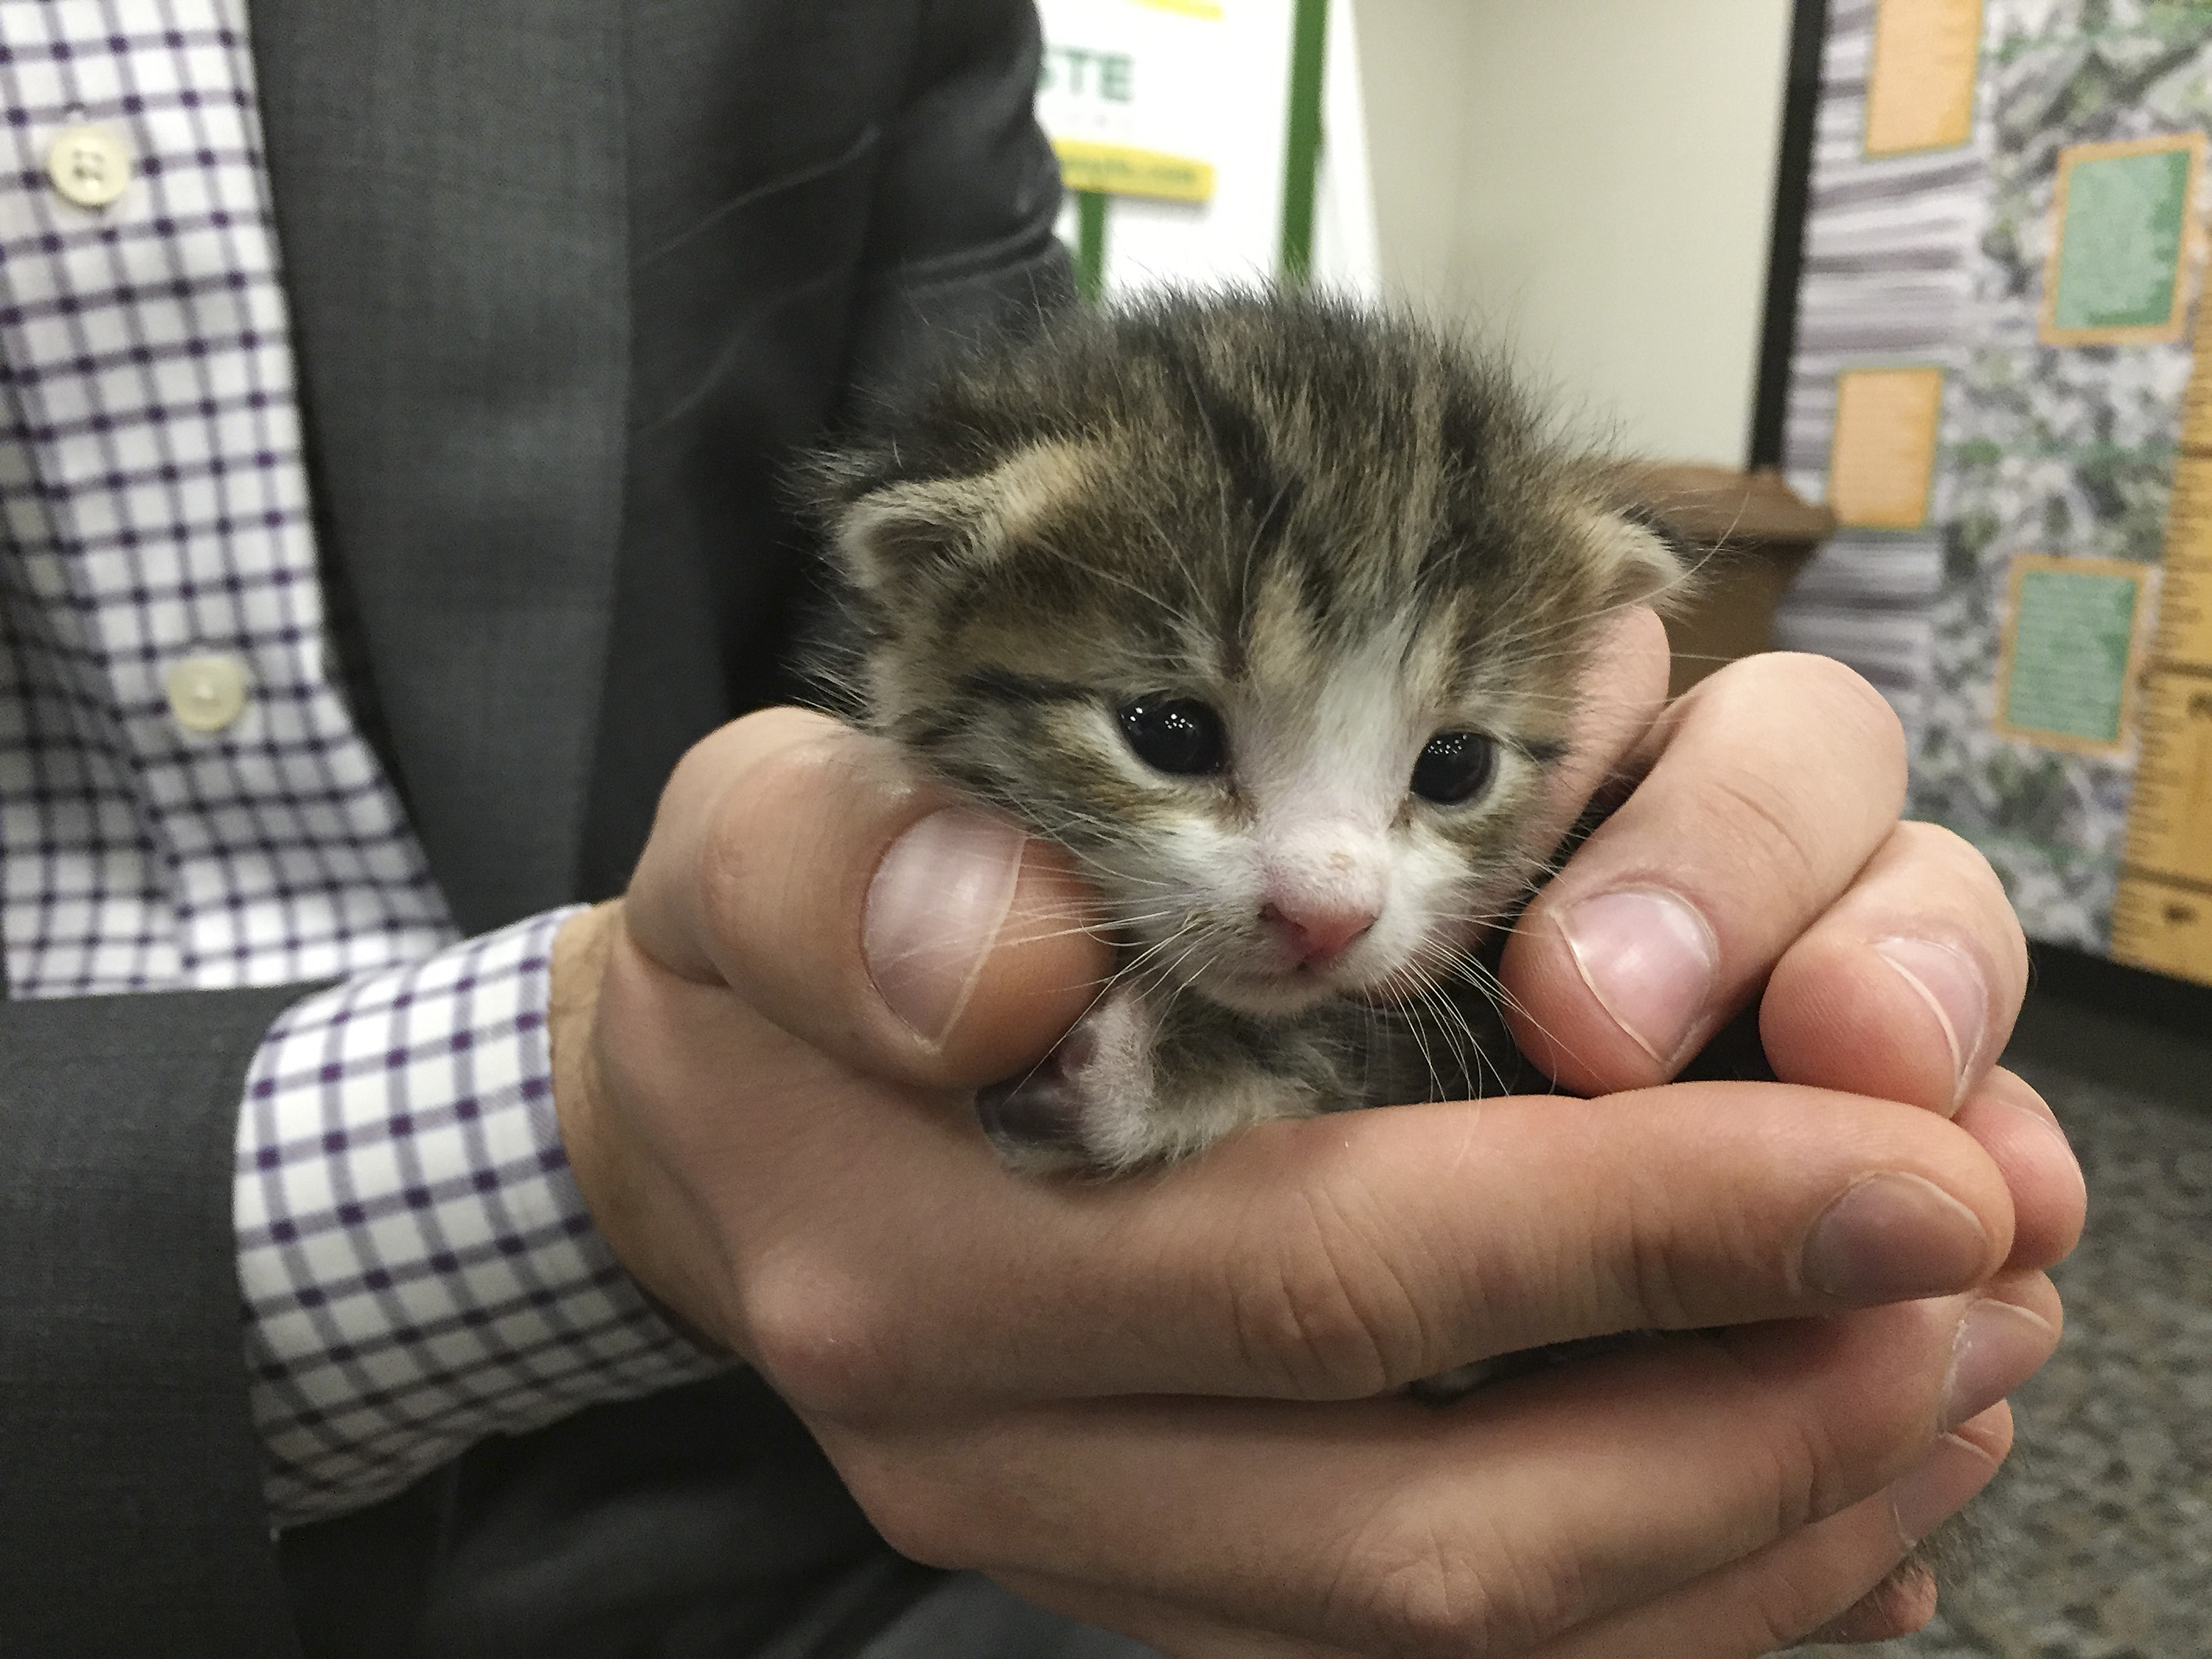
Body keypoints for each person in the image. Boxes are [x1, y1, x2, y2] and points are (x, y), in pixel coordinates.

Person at [0, 3, 2082, 1655]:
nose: (1334, 887)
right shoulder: (973, 596)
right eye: (1178, 731)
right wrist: (606, 1128)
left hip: (861, 1544)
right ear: (931, 605)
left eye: (1447, 771)